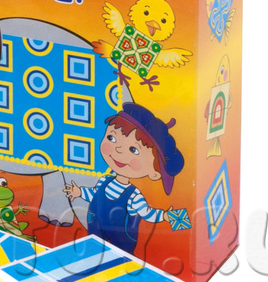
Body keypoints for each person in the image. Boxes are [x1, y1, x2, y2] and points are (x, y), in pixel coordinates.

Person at [64, 102, 184, 253]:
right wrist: (80, 192)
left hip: (122, 242)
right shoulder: (104, 180)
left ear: (154, 173)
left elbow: (147, 212)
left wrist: (164, 215)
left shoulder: (134, 196)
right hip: (95, 233)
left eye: (134, 150)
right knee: (93, 250)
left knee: (121, 258)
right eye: (112, 138)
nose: (118, 150)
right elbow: (94, 193)